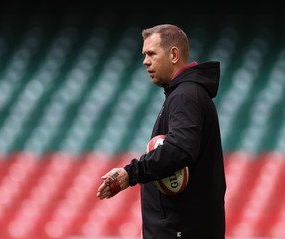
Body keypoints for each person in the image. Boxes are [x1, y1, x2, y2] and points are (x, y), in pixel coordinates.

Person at [96, 24, 226, 239]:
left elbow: (180, 149)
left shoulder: (186, 96)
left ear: (174, 54)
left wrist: (131, 173)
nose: (145, 61)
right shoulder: (185, 94)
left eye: (151, 54)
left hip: (183, 230)